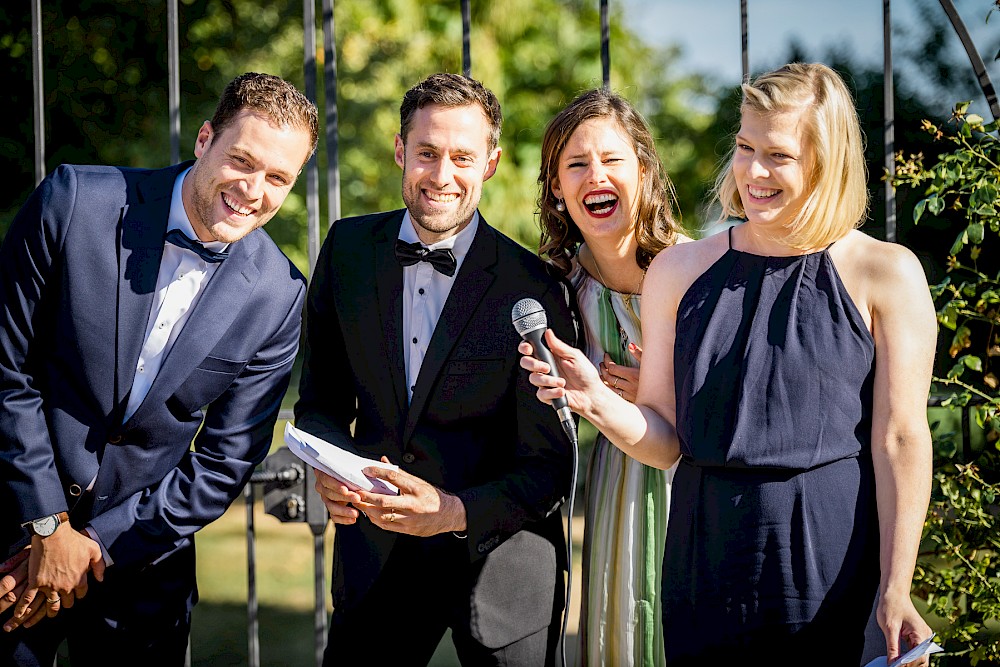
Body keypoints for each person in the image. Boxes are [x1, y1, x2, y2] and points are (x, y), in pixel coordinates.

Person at [520, 62, 936, 666]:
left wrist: (896, 587)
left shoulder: (886, 272)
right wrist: (596, 400)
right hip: (702, 563)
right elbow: (665, 442)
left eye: (779, 155)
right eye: (744, 147)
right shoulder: (679, 272)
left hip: (831, 561)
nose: (754, 171)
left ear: (828, 159)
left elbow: (900, 438)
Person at [0, 72, 317, 665]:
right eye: (241, 160)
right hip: (12, 540)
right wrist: (46, 523)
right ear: (203, 140)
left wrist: (90, 546)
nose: (253, 189)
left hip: (142, 567)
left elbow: (225, 462)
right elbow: (7, 367)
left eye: (278, 178)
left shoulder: (279, 294)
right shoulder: (73, 201)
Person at [294, 72, 576, 666]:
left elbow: (550, 464)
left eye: (462, 157)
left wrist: (452, 512)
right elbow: (319, 402)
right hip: (375, 563)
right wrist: (329, 469)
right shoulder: (346, 251)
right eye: (426, 153)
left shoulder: (535, 286)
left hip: (505, 570)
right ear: (401, 151)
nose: (442, 175)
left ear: (491, 163)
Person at [535, 88, 686, 665]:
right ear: (556, 187)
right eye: (576, 164)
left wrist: (674, 382)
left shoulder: (698, 271)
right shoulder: (556, 287)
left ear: (644, 171)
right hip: (616, 486)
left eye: (612, 159)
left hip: (697, 489)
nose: (594, 175)